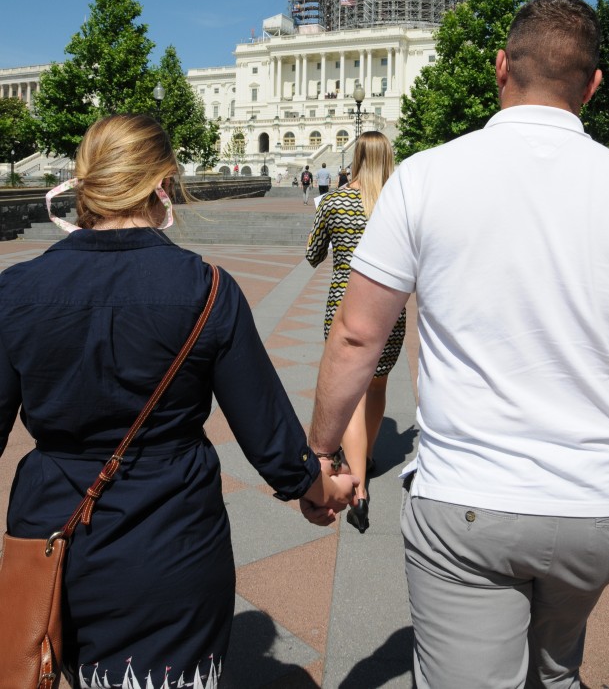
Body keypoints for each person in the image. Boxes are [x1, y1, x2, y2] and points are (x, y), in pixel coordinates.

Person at [306, 0, 609, 688]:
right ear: (594, 84)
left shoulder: (426, 174)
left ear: (499, 67)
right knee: (556, 671)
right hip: (599, 502)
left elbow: (358, 333)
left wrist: (320, 449)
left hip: (469, 497)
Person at [0, 114, 356, 689]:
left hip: (51, 537)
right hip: (171, 535)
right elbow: (267, 434)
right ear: (164, 182)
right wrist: (318, 488)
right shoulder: (205, 287)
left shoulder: (15, 289)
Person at [306, 131, 406, 533]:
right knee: (376, 388)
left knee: (349, 394)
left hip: (344, 311)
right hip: (390, 313)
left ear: (356, 157)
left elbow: (312, 255)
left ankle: (358, 486)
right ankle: (364, 458)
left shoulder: (334, 201)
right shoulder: (398, 205)